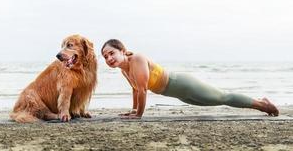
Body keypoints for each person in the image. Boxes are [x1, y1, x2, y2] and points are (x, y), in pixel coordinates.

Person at [101, 39, 279, 119]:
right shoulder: (124, 69)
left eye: (111, 53)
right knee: (215, 102)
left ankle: (263, 104)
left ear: (123, 51)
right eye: (105, 56)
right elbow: (135, 90)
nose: (109, 58)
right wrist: (133, 109)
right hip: (178, 94)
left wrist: (139, 115)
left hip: (182, 84)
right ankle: (260, 102)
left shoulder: (137, 59)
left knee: (223, 97)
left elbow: (142, 89)